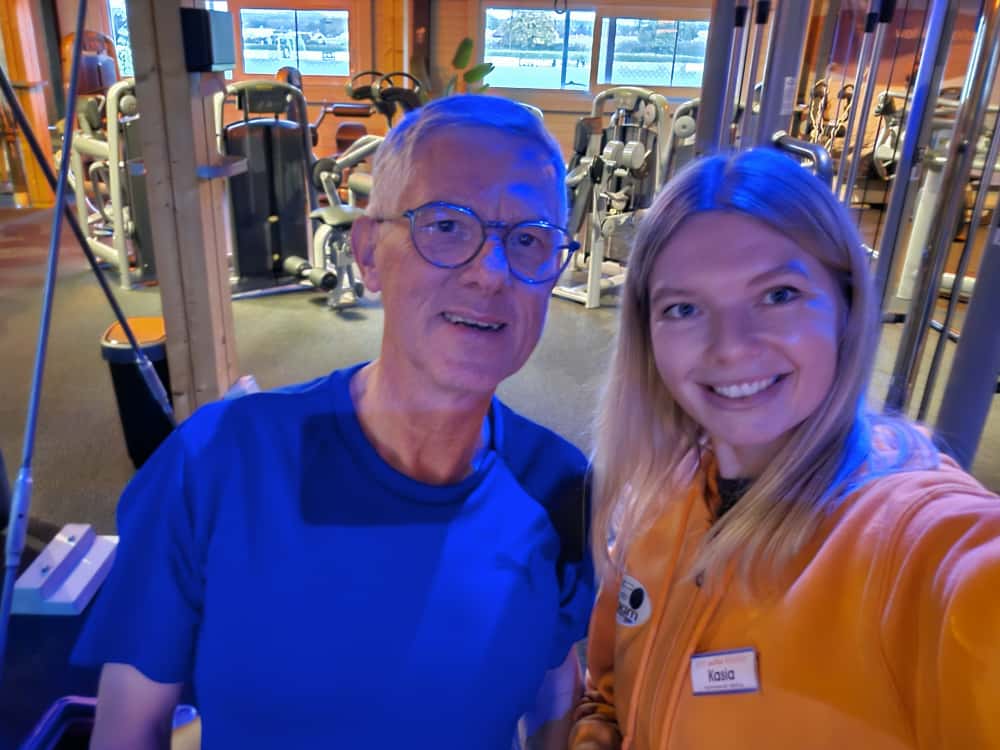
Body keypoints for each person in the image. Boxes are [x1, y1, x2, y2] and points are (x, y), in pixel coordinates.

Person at [73, 95, 594, 749]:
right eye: (446, 225)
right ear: (369, 253)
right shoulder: (217, 466)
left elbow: (554, 688)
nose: (491, 272)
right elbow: (128, 728)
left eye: (528, 239)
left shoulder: (561, 486)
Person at [569, 148, 1000, 749]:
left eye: (778, 295)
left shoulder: (917, 539)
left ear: (847, 307)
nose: (731, 347)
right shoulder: (659, 496)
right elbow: (611, 693)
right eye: (684, 308)